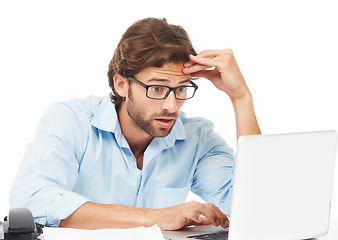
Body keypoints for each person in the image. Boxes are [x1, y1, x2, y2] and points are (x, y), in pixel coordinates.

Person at [9, 17, 261, 230]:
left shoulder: (198, 139)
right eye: (157, 88)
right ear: (121, 85)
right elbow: (31, 201)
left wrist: (241, 98)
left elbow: (254, 207)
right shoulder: (71, 121)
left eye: (181, 90)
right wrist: (154, 218)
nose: (171, 106)